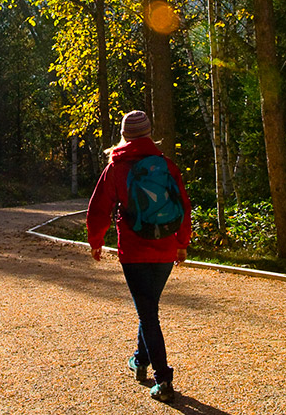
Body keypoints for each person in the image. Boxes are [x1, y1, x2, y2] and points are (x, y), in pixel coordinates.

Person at [87, 109, 192, 403]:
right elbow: (183, 205)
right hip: (165, 248)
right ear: (148, 134)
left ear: (124, 134)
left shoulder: (116, 168)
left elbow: (98, 208)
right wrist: (182, 243)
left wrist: (96, 241)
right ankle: (139, 360)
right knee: (149, 308)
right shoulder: (165, 164)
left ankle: (163, 379)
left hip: (133, 250)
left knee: (148, 312)